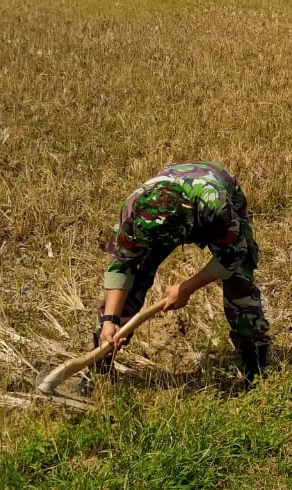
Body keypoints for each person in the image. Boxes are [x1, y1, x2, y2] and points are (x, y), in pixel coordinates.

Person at [88, 161, 271, 386]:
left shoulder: (216, 208)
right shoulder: (134, 212)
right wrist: (109, 320)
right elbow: (122, 266)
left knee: (239, 280)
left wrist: (186, 289)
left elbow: (233, 256)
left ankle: (255, 365)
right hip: (174, 202)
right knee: (134, 278)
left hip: (213, 193)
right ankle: (100, 366)